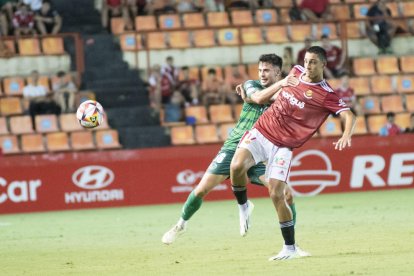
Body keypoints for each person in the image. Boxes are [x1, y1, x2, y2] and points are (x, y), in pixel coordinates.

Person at [230, 46, 356, 261]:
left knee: (276, 194)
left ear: (324, 64)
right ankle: (243, 207)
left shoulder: (326, 94)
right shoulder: (296, 71)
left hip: (283, 146)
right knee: (236, 167)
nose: (308, 65)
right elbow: (278, 94)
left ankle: (290, 248)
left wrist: (346, 135)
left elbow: (349, 114)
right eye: (307, 60)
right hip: (262, 131)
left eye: (314, 62)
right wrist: (251, 96)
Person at [162, 54, 302, 246]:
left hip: (258, 153)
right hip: (234, 147)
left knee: (287, 194)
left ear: (278, 71)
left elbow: (289, 102)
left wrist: (288, 92)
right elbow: (260, 98)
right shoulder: (250, 85)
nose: (261, 74)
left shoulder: (284, 93)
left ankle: (292, 241)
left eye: (267, 70)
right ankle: (180, 225)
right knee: (201, 189)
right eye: (260, 70)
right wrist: (283, 89)